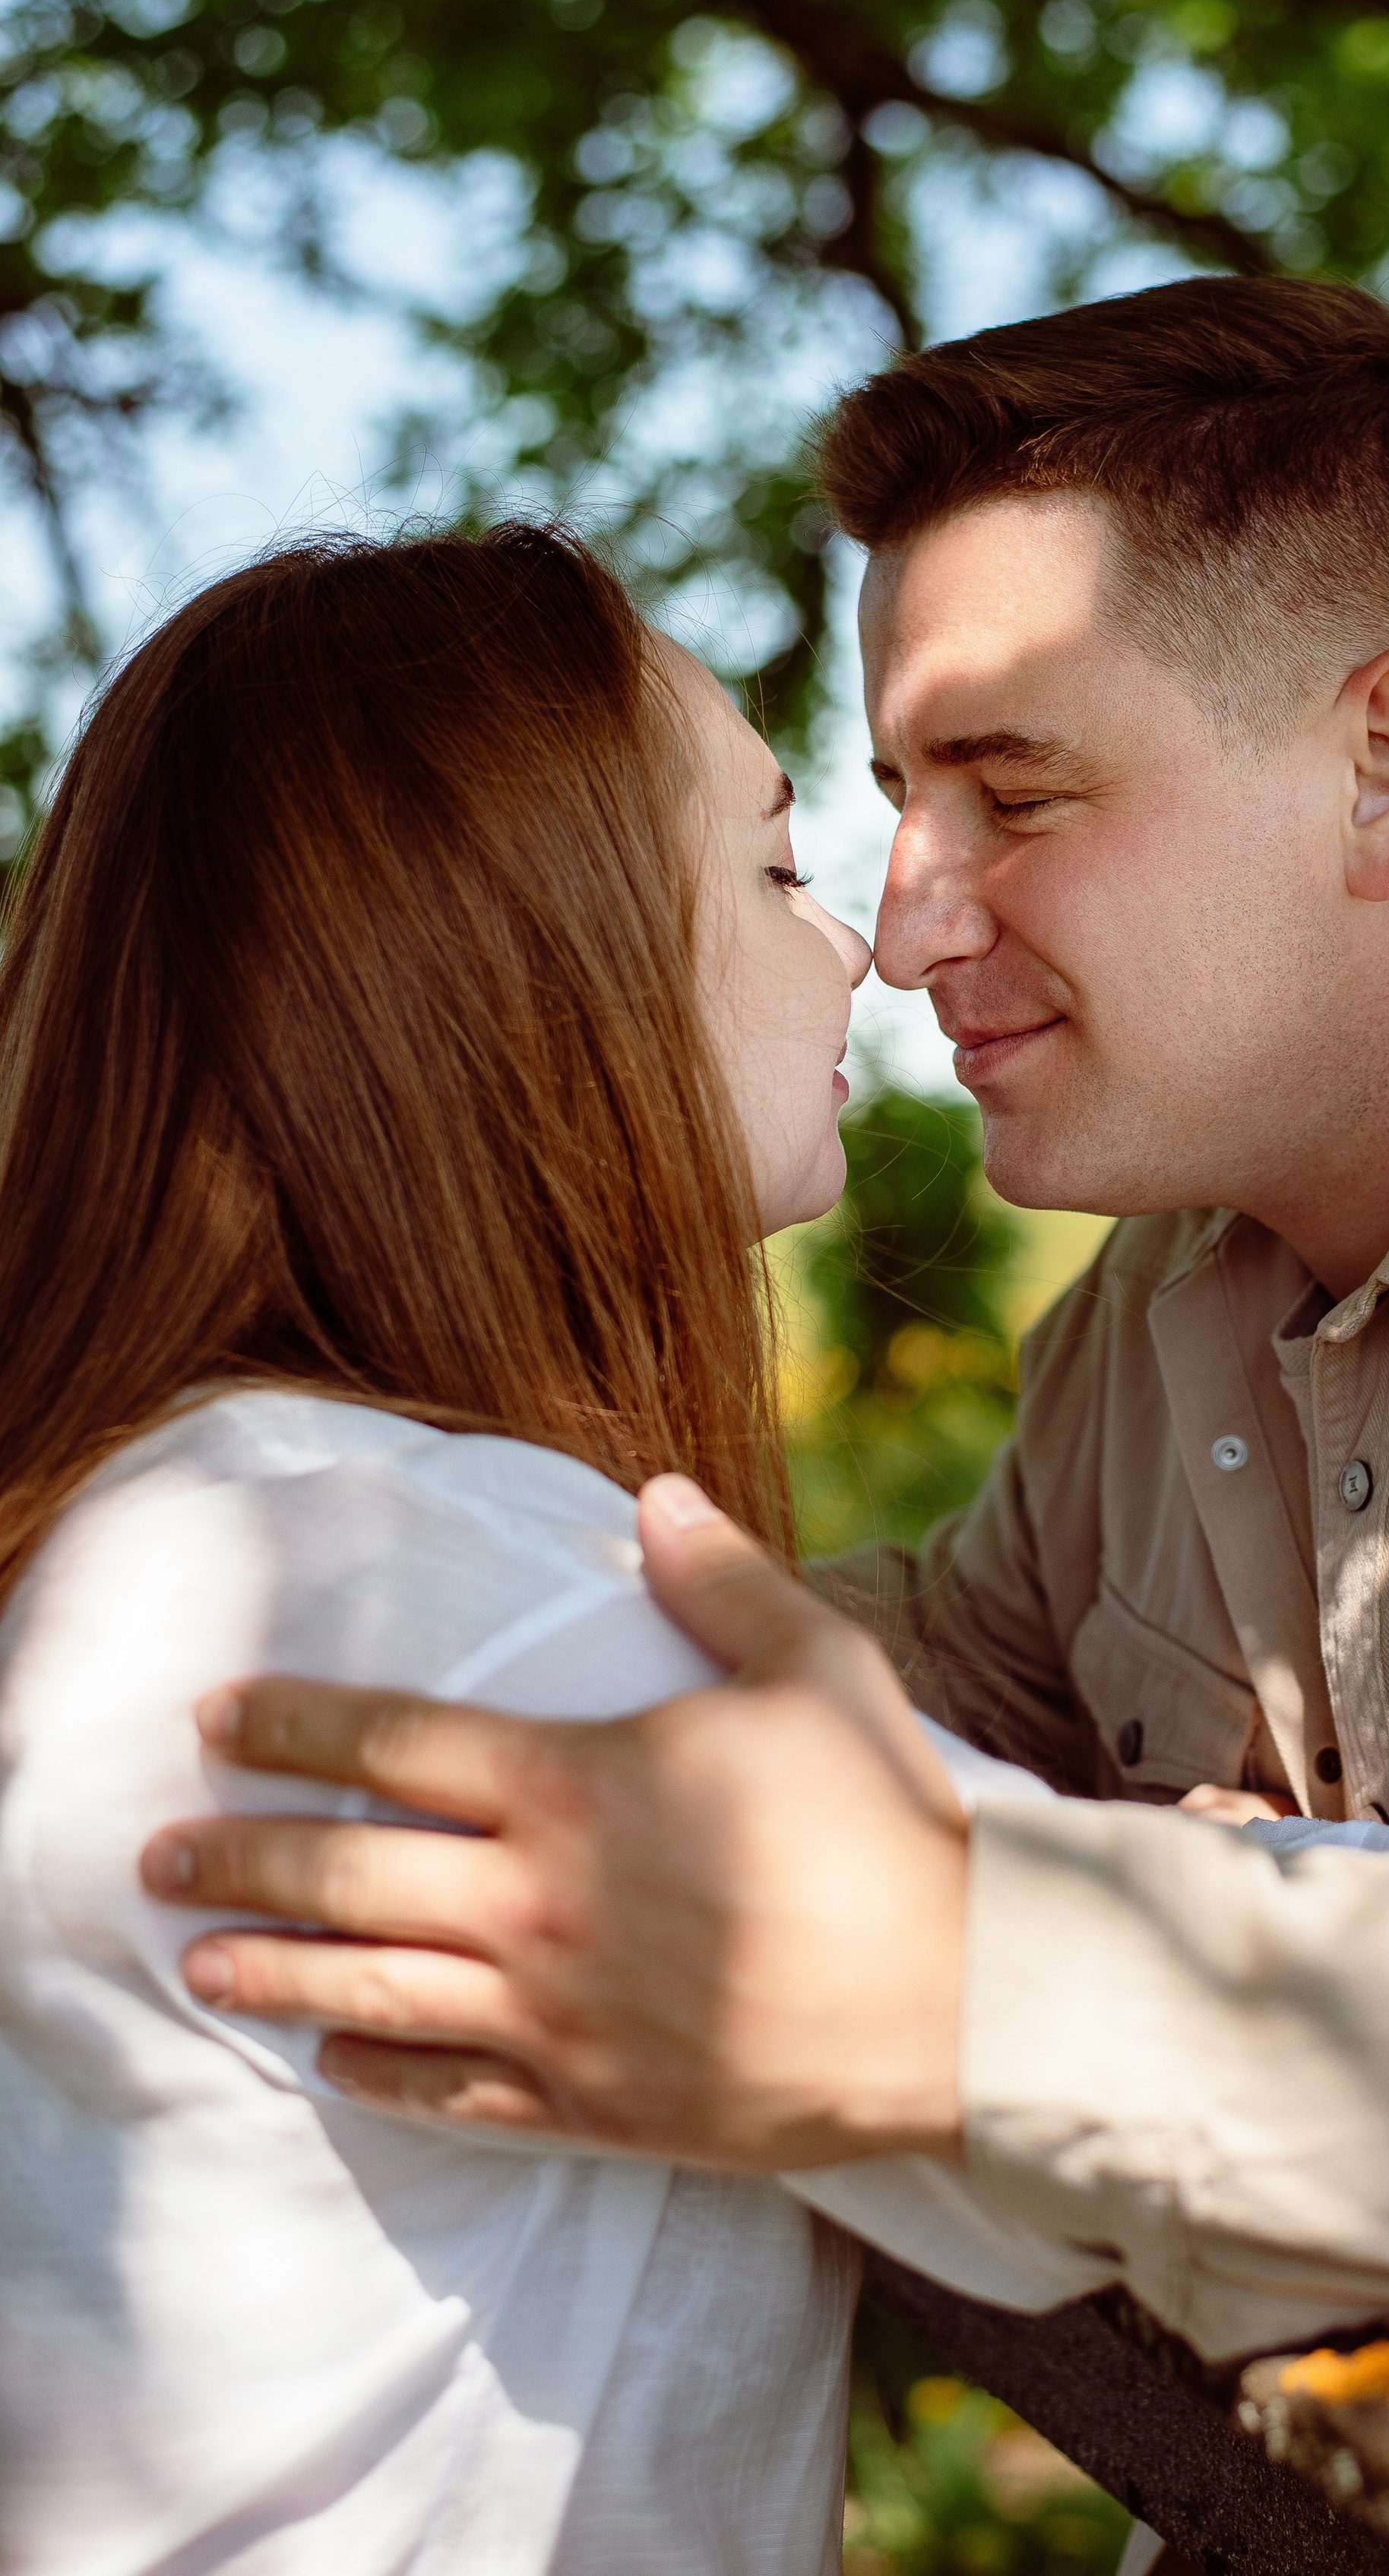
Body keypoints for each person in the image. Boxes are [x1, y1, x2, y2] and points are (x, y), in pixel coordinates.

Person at [145, 280, 1389, 2365]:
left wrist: (980, 1989)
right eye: (894, 800)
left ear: (1385, 767)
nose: (905, 924)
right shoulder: (1177, 1280)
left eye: (1014, 792)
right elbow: (933, 1687)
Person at [0, 520, 1163, 2576]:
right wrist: (1207, 1881)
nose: (869, 950)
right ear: (525, 947)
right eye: (780, 863)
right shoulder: (438, 1593)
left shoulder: (182, 1515)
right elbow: (1175, 2103)